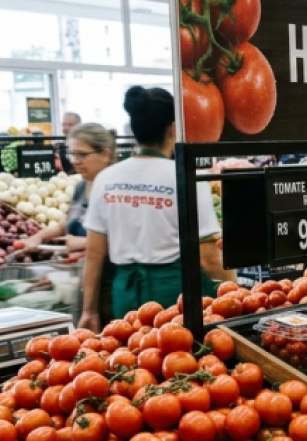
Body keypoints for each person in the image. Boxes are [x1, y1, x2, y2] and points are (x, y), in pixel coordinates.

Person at [78, 87, 231, 331]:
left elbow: (94, 254)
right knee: (180, 361)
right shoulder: (187, 178)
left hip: (126, 296)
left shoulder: (106, 179)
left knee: (134, 361)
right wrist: (236, 294)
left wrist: (89, 310)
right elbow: (208, 257)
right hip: (175, 297)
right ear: (173, 127)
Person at [22, 123, 116, 255]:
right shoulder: (81, 186)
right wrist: (39, 237)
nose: (74, 161)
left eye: (82, 155)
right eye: (72, 154)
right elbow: (65, 223)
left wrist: (84, 243)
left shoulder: (118, 191)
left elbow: (129, 240)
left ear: (105, 154)